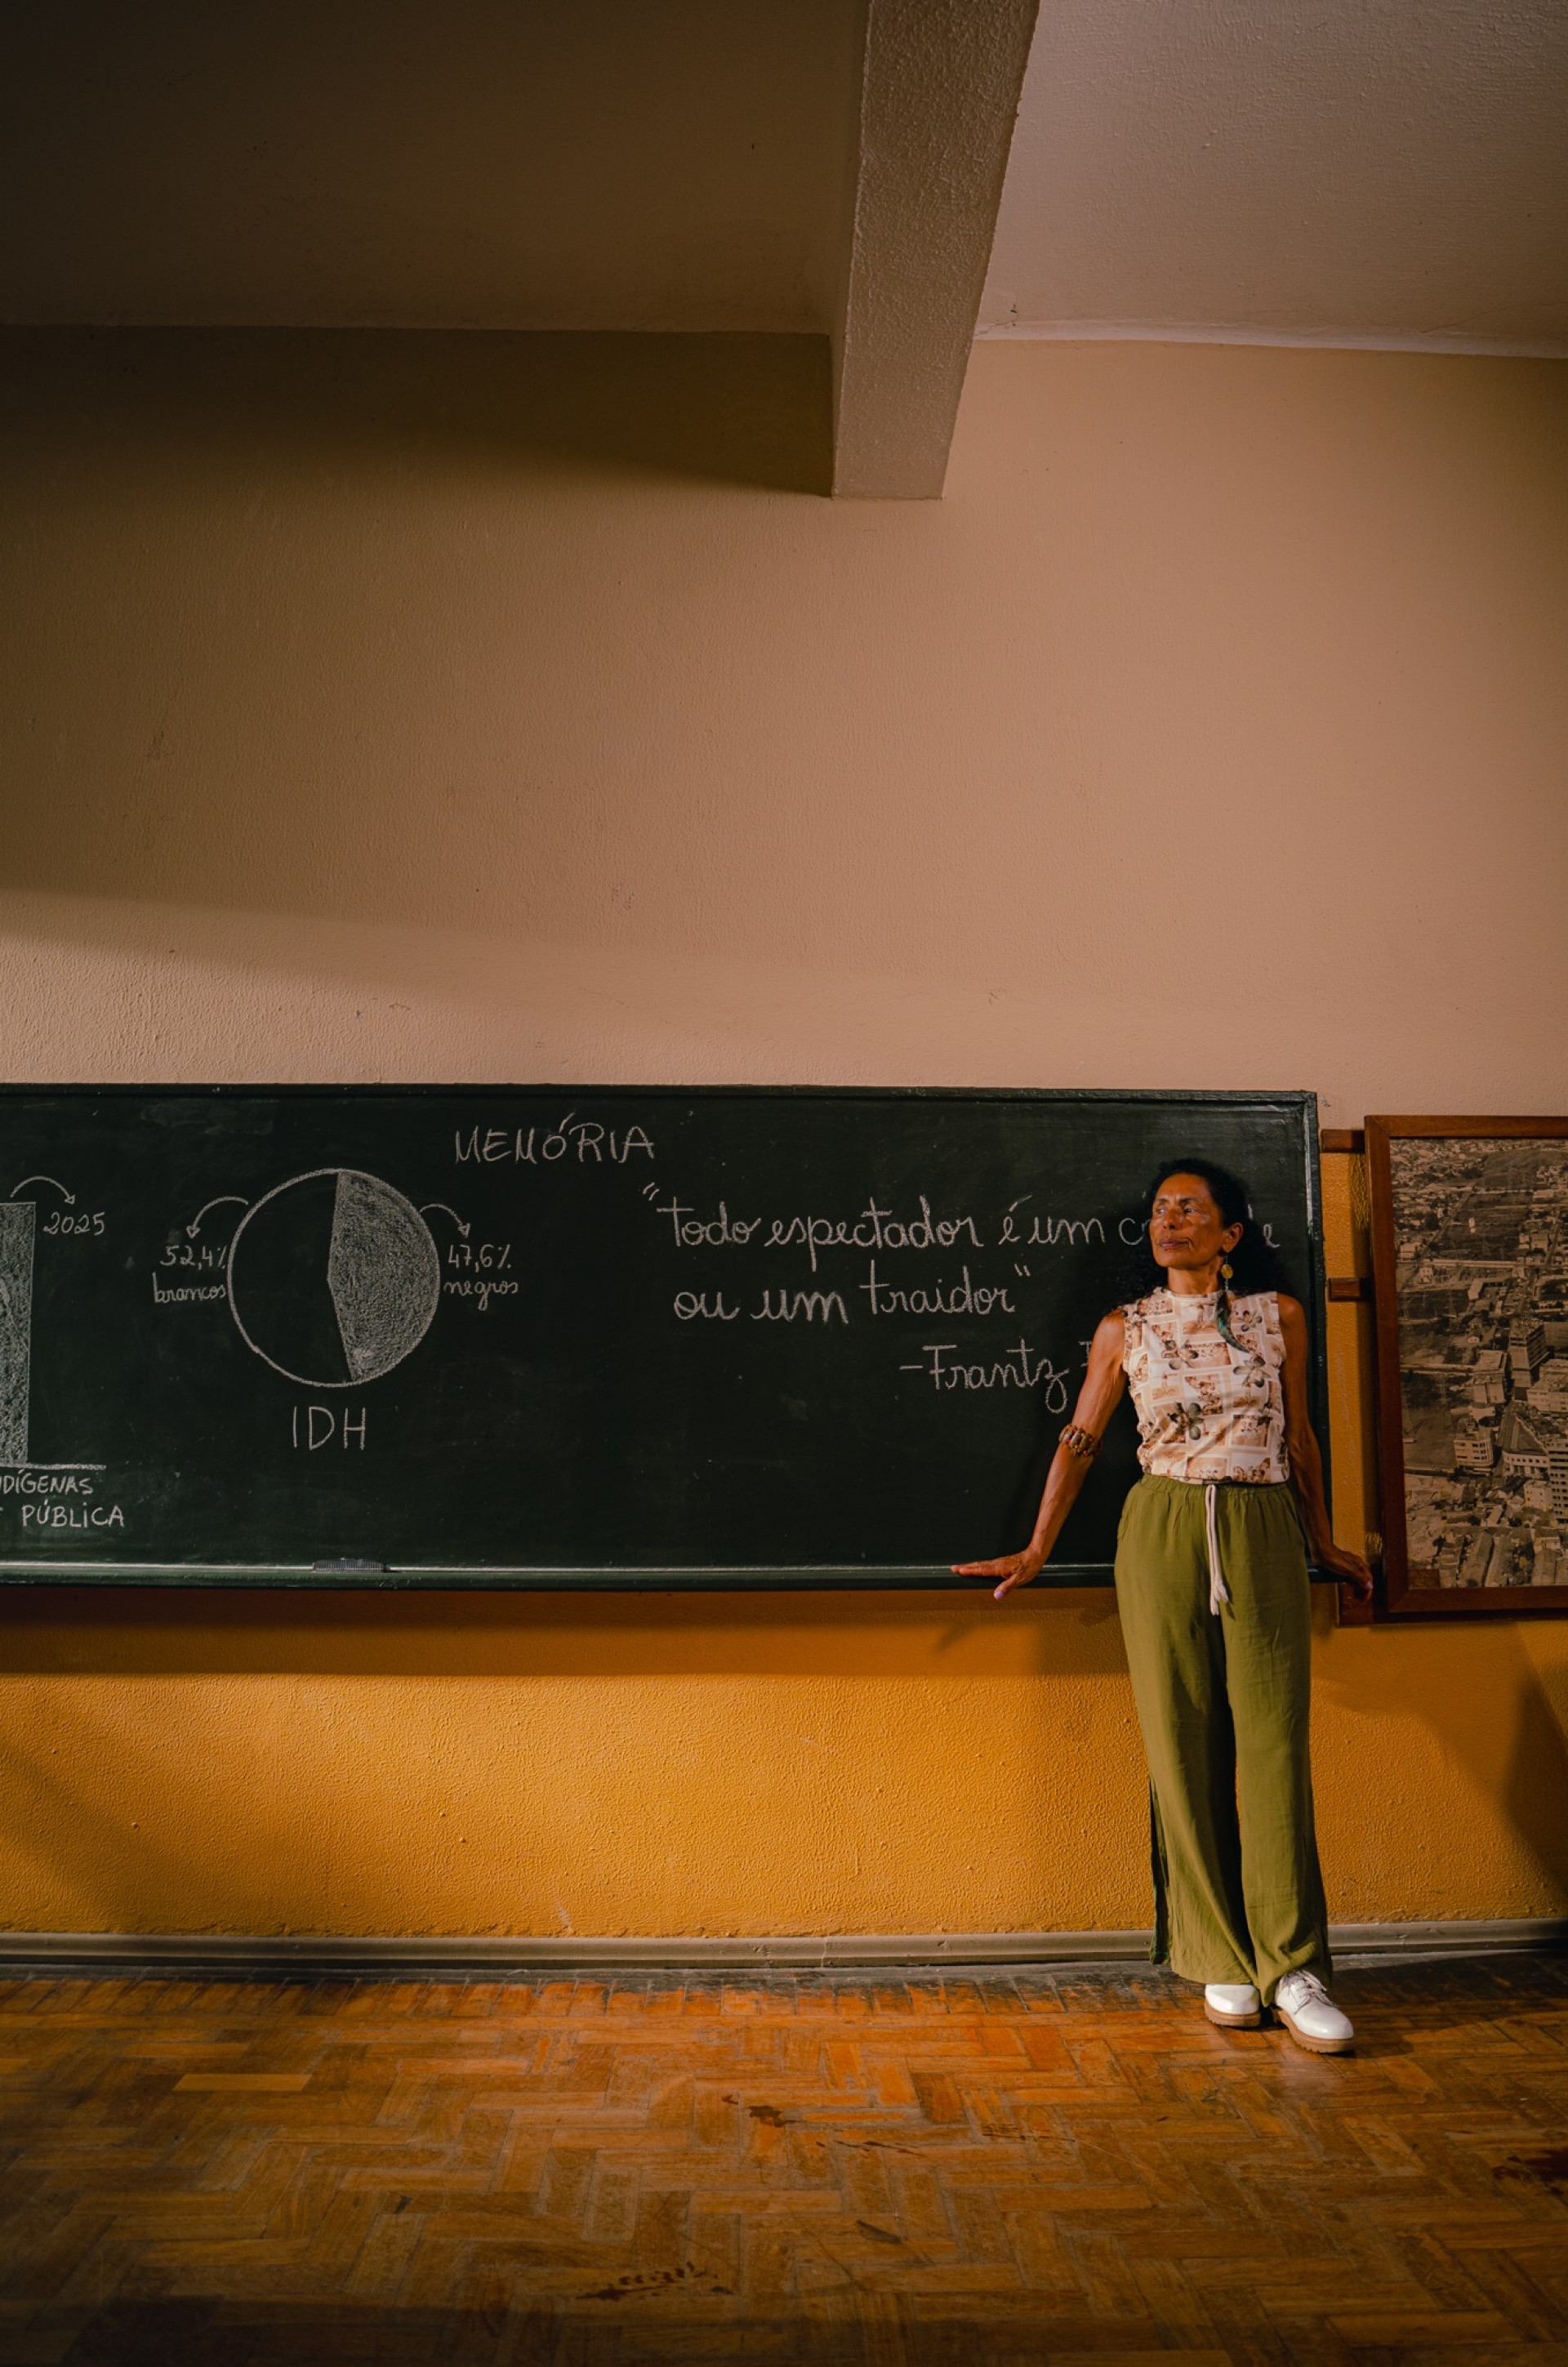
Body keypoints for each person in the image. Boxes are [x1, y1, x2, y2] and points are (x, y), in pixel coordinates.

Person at [956, 1158, 1373, 2055]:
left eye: (1191, 1208)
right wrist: (1036, 1547)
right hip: (1163, 1526)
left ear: (1230, 1235)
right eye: (1158, 1209)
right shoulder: (1125, 1326)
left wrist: (1323, 1540)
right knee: (1181, 1739)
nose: (1169, 1219)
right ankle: (1218, 1953)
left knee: (1271, 1742)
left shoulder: (1278, 1317)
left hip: (1260, 1521)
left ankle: (1292, 1965)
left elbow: (1297, 1435)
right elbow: (1080, 1437)